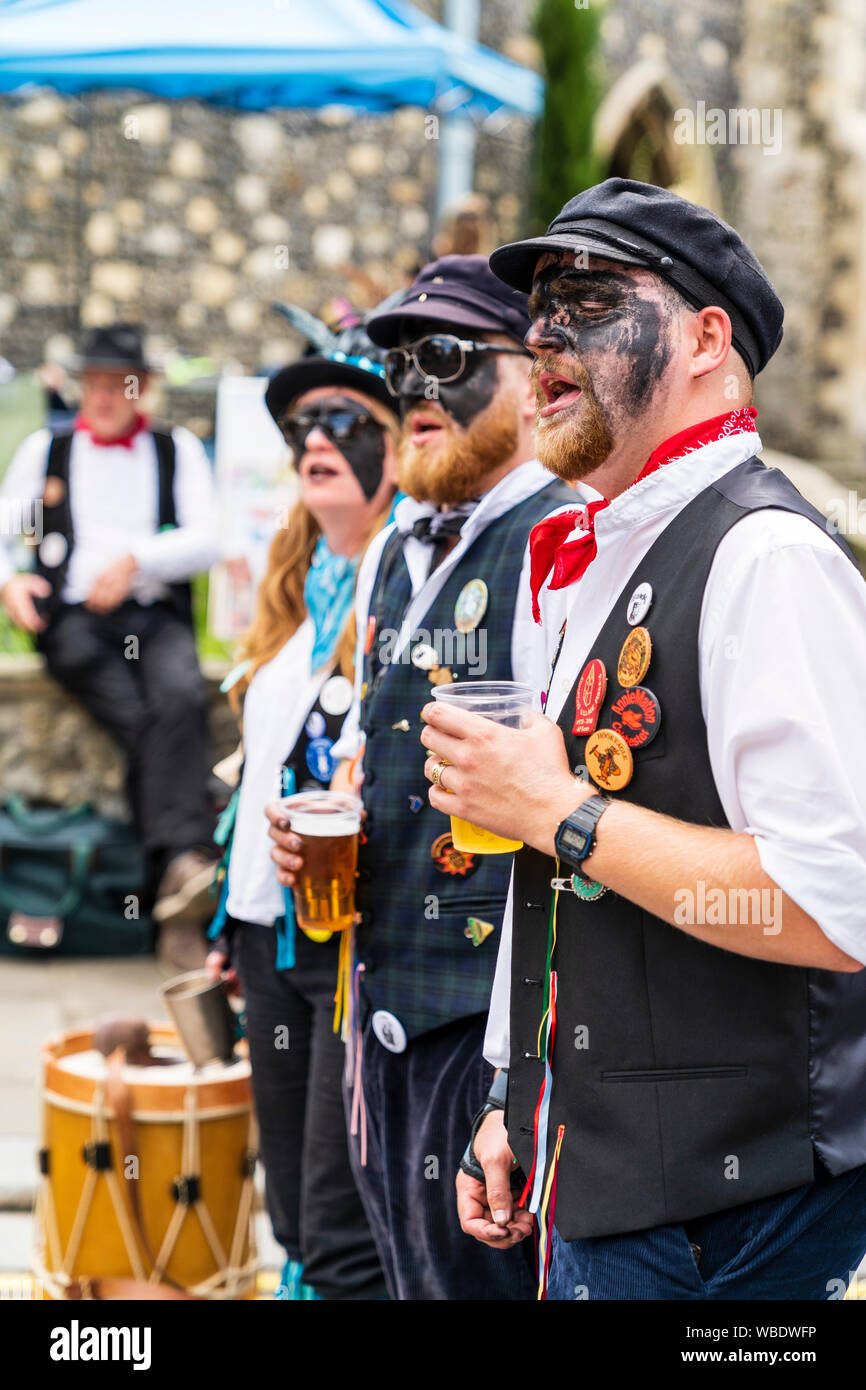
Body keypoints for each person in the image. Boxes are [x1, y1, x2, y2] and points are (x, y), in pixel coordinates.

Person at [419, 179, 866, 1300]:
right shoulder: (584, 555)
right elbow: (557, 887)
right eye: (536, 306)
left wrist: (560, 809)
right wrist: (507, 1099)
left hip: (732, 1219)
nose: (540, 332)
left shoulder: (765, 557)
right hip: (598, 1182)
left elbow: (833, 904)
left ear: (706, 338)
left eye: (583, 295)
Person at [268, 255, 582, 1300]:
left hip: (486, 1031)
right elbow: (379, 747)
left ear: (530, 376)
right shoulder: (394, 547)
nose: (414, 390)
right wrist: (339, 807)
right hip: (379, 1009)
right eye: (399, 363)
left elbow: (579, 812)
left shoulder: (562, 540)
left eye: (445, 357)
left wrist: (518, 1078)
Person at [206, 319, 397, 1300]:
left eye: (342, 420)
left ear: (396, 446)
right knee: (288, 1199)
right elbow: (258, 775)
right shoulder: (294, 587)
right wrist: (223, 923)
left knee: (338, 1212)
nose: (314, 440)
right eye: (301, 429)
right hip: (263, 929)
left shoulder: (406, 579)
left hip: (342, 939)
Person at [0, 324, 220, 970]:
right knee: (146, 717)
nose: (100, 395)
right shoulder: (47, 448)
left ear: (141, 388)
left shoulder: (175, 448)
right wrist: (11, 580)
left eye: (114, 383)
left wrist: (137, 558)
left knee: (178, 694)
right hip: (75, 626)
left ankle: (177, 878)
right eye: (91, 382)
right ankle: (185, 864)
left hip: (153, 615)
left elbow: (210, 537)